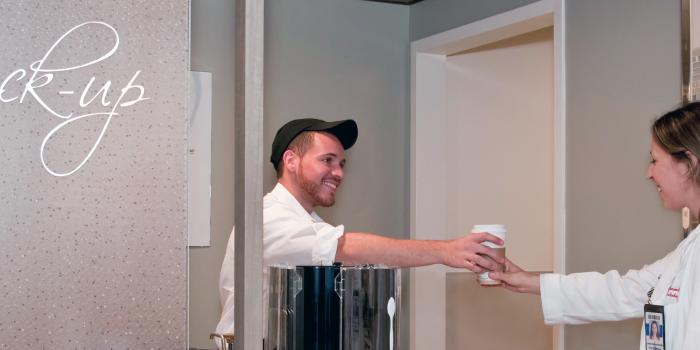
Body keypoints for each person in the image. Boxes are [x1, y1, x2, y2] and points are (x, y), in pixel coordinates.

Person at [214, 118, 506, 346]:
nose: (338, 172)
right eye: (327, 160)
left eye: (341, 164)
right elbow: (346, 248)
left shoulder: (310, 224)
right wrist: (446, 251)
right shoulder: (267, 218)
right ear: (290, 161)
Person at [489, 102, 700, 349]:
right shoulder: (688, 251)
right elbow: (622, 291)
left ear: (688, 163)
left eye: (655, 161)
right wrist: (528, 281)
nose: (649, 173)